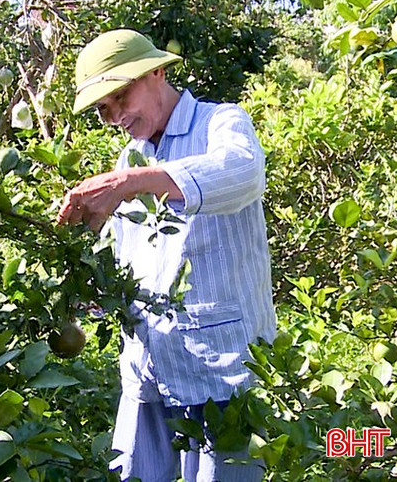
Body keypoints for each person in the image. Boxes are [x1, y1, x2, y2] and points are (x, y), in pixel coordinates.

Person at [56, 29, 276, 481]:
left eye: (121, 96)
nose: (116, 115)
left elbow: (243, 173)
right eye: (103, 108)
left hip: (221, 369)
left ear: (157, 71)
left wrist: (134, 182)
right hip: (149, 367)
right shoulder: (128, 160)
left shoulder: (221, 123)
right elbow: (132, 260)